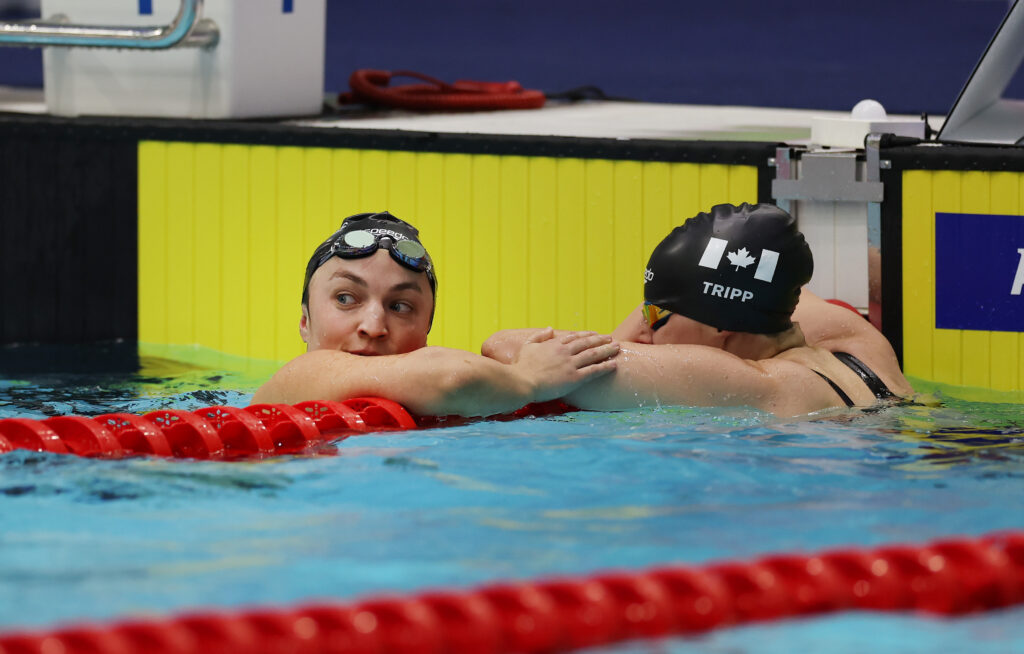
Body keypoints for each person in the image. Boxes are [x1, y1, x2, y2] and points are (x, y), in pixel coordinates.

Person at [482, 203, 913, 417]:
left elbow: (505, 347)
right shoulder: (858, 344)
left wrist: (621, 337)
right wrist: (666, 307)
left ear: (720, 334)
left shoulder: (749, 382)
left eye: (656, 318)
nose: (644, 330)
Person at [252, 211, 620, 417]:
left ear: (426, 330)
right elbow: (450, 377)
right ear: (304, 322)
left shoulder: (464, 398)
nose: (373, 326)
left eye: (400, 307)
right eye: (346, 299)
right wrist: (528, 378)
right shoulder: (298, 379)